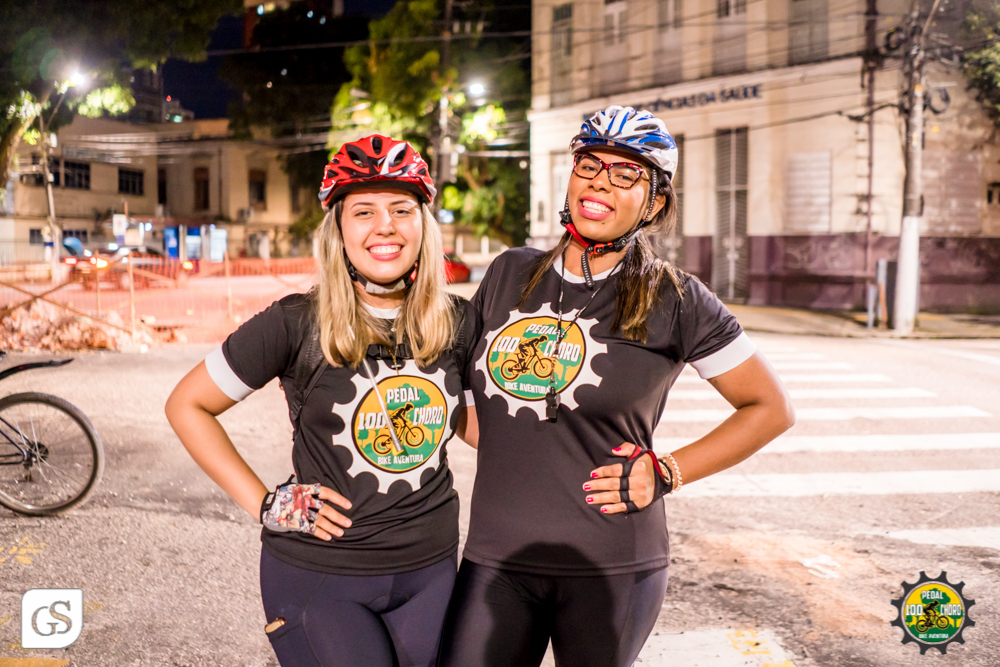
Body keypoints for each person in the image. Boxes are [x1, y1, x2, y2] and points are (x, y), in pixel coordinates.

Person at [439, 106, 796, 667]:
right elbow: (473, 410)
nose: (601, 180)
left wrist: (666, 470)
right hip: (495, 560)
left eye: (627, 173)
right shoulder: (510, 272)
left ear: (654, 202)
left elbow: (770, 408)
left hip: (614, 568)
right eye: (590, 164)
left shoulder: (677, 298)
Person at [165, 134, 476, 667]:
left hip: (432, 569)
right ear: (338, 230)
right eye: (364, 211)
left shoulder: (458, 320)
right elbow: (187, 406)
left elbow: (483, 429)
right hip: (321, 576)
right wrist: (265, 504)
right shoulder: (293, 322)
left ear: (424, 224)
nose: (386, 225)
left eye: (403, 209)